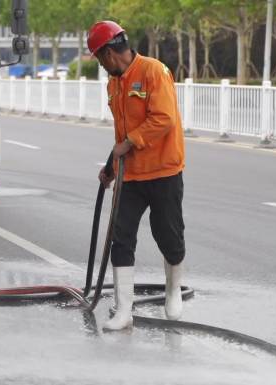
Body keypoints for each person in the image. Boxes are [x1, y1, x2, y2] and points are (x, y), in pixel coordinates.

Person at [87, 21, 186, 330]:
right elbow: (121, 135)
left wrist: (128, 143)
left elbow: (164, 119)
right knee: (121, 237)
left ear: (108, 52)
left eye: (98, 58)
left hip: (164, 171)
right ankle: (124, 312)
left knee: (167, 235)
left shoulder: (154, 71)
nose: (100, 66)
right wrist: (111, 170)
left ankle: (173, 291)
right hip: (131, 176)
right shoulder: (113, 84)